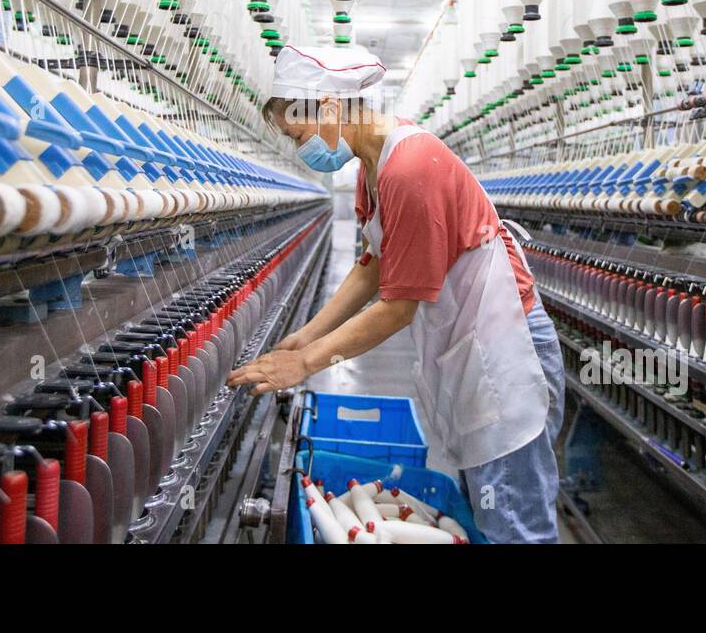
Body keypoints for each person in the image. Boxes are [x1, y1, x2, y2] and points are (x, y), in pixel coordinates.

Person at [227, 45, 565, 543]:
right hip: (474, 344)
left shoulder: (410, 168)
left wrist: (308, 364)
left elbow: (398, 306)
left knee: (514, 518)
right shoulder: (373, 166)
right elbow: (373, 268)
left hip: (506, 350)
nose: (303, 151)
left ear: (329, 108)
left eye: (299, 137)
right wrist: (305, 336)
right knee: (488, 505)